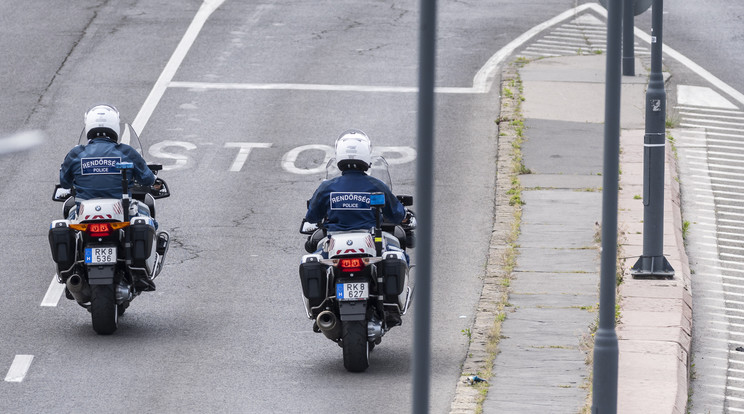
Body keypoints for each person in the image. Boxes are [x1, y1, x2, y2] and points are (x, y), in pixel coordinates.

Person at [304, 129, 411, 255]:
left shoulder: (327, 187)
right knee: (400, 256)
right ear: (366, 155)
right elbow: (396, 215)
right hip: (370, 242)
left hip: (334, 244)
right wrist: (404, 214)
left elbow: (312, 216)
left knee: (315, 258)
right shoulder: (377, 186)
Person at [59, 104, 155, 221]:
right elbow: (148, 180)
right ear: (115, 125)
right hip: (123, 212)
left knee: (68, 220)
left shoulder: (76, 153)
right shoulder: (127, 152)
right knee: (147, 216)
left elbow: (64, 183)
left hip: (84, 214)